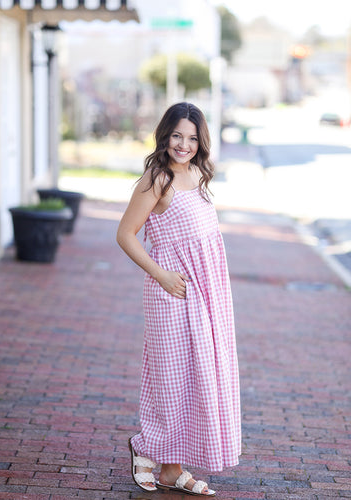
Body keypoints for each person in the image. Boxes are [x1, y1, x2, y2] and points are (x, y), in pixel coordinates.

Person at [117, 102, 241, 497]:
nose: (183, 144)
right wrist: (161, 274)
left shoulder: (197, 174)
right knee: (170, 377)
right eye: (176, 135)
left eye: (191, 137)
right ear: (165, 134)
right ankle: (147, 447)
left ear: (199, 141)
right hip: (170, 291)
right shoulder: (157, 179)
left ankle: (172, 469)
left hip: (207, 296)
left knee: (194, 377)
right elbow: (125, 234)